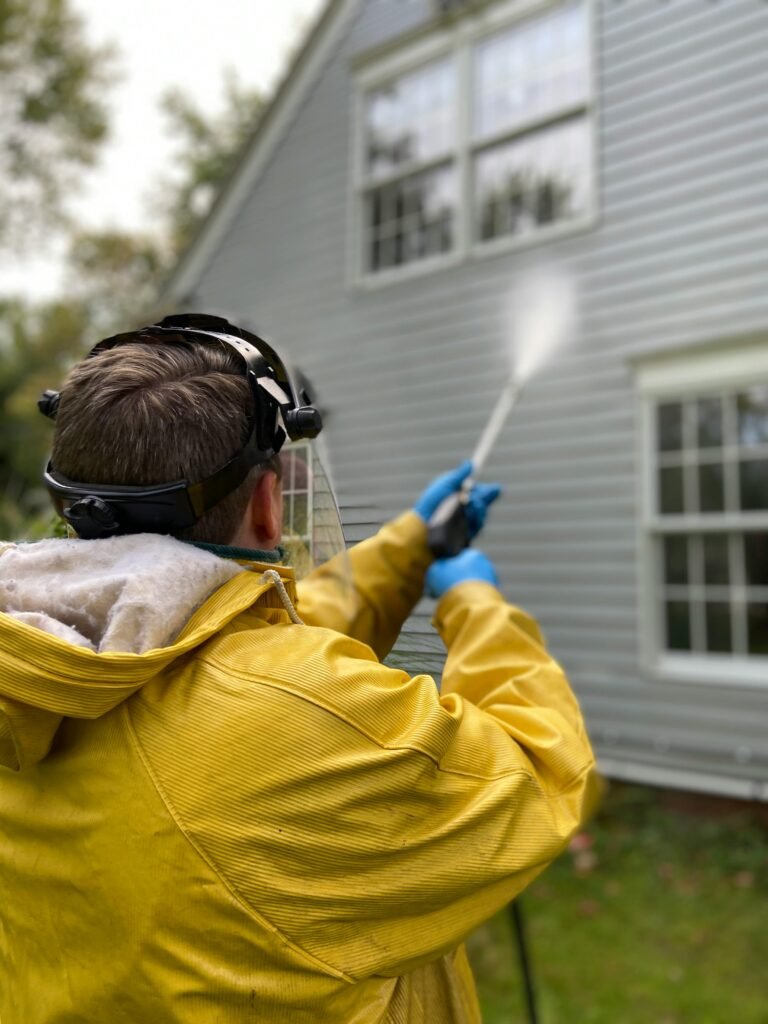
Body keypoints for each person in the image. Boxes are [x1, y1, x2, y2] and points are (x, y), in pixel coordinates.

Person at [0, 313, 599, 1024]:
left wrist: (410, 547)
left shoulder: (44, 656)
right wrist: (475, 599)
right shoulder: (286, 717)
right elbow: (535, 771)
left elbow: (242, 644)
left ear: (71, 502)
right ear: (265, 501)